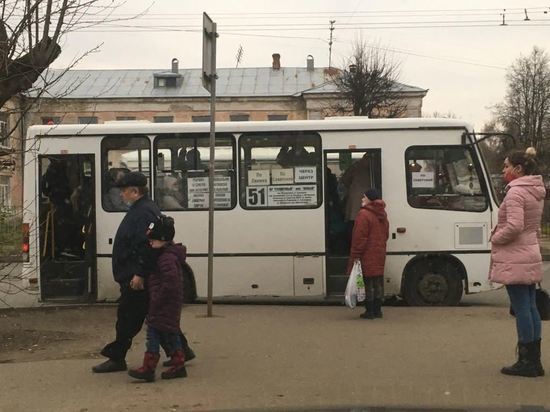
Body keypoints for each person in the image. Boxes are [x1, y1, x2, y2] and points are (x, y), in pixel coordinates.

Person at [92, 171, 195, 373]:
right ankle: (181, 350)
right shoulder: (144, 209)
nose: (121, 195)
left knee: (128, 318)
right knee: (157, 315)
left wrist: (139, 274)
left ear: (134, 191)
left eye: (124, 191)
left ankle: (117, 356)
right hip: (138, 275)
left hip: (137, 277)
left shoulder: (143, 212)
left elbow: (146, 246)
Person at [489, 147, 546, 377]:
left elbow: (514, 225)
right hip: (529, 253)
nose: (503, 170)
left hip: (515, 256)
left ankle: (526, 361)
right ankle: (534, 359)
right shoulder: (535, 191)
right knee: (530, 306)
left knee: (522, 307)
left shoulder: (515, 193)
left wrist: (496, 238)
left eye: (506, 166)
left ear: (518, 168)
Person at [128, 215, 188, 382]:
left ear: (163, 240)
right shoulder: (164, 255)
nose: (150, 243)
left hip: (163, 304)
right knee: (170, 333)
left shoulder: (166, 258)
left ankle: (149, 367)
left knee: (153, 334)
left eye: (153, 240)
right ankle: (178, 363)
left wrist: (156, 300)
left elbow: (171, 283)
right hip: (167, 304)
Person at [347, 188, 389, 319]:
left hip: (366, 253)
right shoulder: (382, 214)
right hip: (379, 253)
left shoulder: (364, 215)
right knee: (377, 282)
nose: (362, 199)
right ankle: (378, 310)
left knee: (367, 283)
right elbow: (386, 234)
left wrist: (355, 255)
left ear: (370, 199)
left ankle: (369, 311)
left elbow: (359, 238)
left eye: (364, 197)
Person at [341, 153, 372, 222]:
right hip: (370, 196)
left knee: (354, 217)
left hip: (355, 195)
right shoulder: (376, 165)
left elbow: (345, 179)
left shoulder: (356, 165)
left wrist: (351, 186)